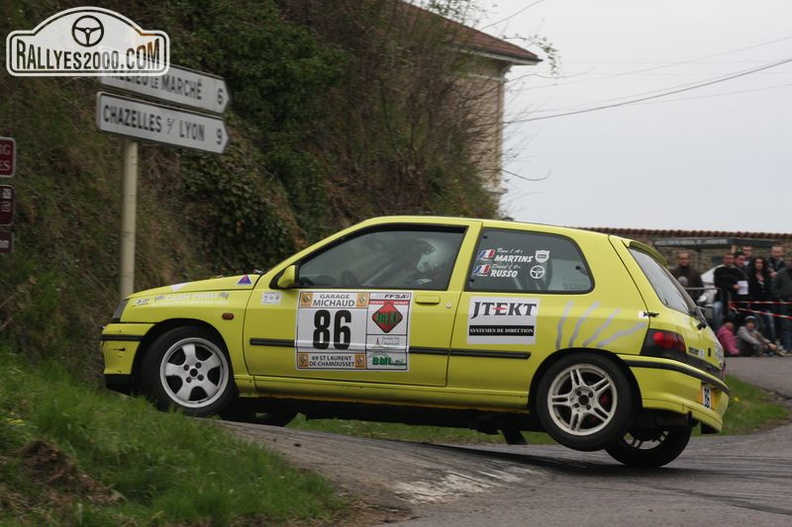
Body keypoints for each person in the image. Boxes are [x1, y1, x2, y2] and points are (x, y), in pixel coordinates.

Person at [712, 252, 749, 329]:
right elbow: (717, 283)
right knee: (715, 309)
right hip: (720, 299)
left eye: (730, 259)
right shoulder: (718, 270)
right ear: (723, 259)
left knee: (732, 316)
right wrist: (732, 286)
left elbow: (742, 286)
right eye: (727, 258)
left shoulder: (739, 272)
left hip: (733, 300)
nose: (729, 260)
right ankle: (718, 330)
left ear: (733, 260)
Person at [748, 256, 777, 344]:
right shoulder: (750, 276)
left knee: (770, 323)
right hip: (754, 305)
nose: (759, 265)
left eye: (761, 263)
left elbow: (770, 290)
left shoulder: (767, 276)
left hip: (766, 305)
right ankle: (758, 344)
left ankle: (773, 343)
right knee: (757, 325)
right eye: (757, 263)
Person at [772, 260, 792, 353]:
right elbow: (775, 287)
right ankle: (788, 348)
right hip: (785, 303)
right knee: (786, 326)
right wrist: (780, 297)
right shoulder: (781, 273)